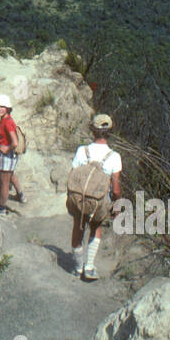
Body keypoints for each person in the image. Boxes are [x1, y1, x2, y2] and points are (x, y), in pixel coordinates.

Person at [68, 113, 121, 281]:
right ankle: (89, 267)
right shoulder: (114, 156)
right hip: (99, 201)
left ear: (92, 130)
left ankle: (77, 268)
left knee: (78, 227)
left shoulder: (82, 151)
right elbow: (116, 188)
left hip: (79, 198)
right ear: (110, 132)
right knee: (96, 227)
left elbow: (73, 175)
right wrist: (117, 205)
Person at [0, 94, 25, 214]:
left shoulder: (7, 122)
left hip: (8, 155)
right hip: (10, 156)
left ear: (7, 108)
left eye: (1, 107)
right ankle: (21, 196)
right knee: (11, 175)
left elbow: (15, 143)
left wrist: (6, 149)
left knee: (4, 182)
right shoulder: (6, 119)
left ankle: (1, 208)